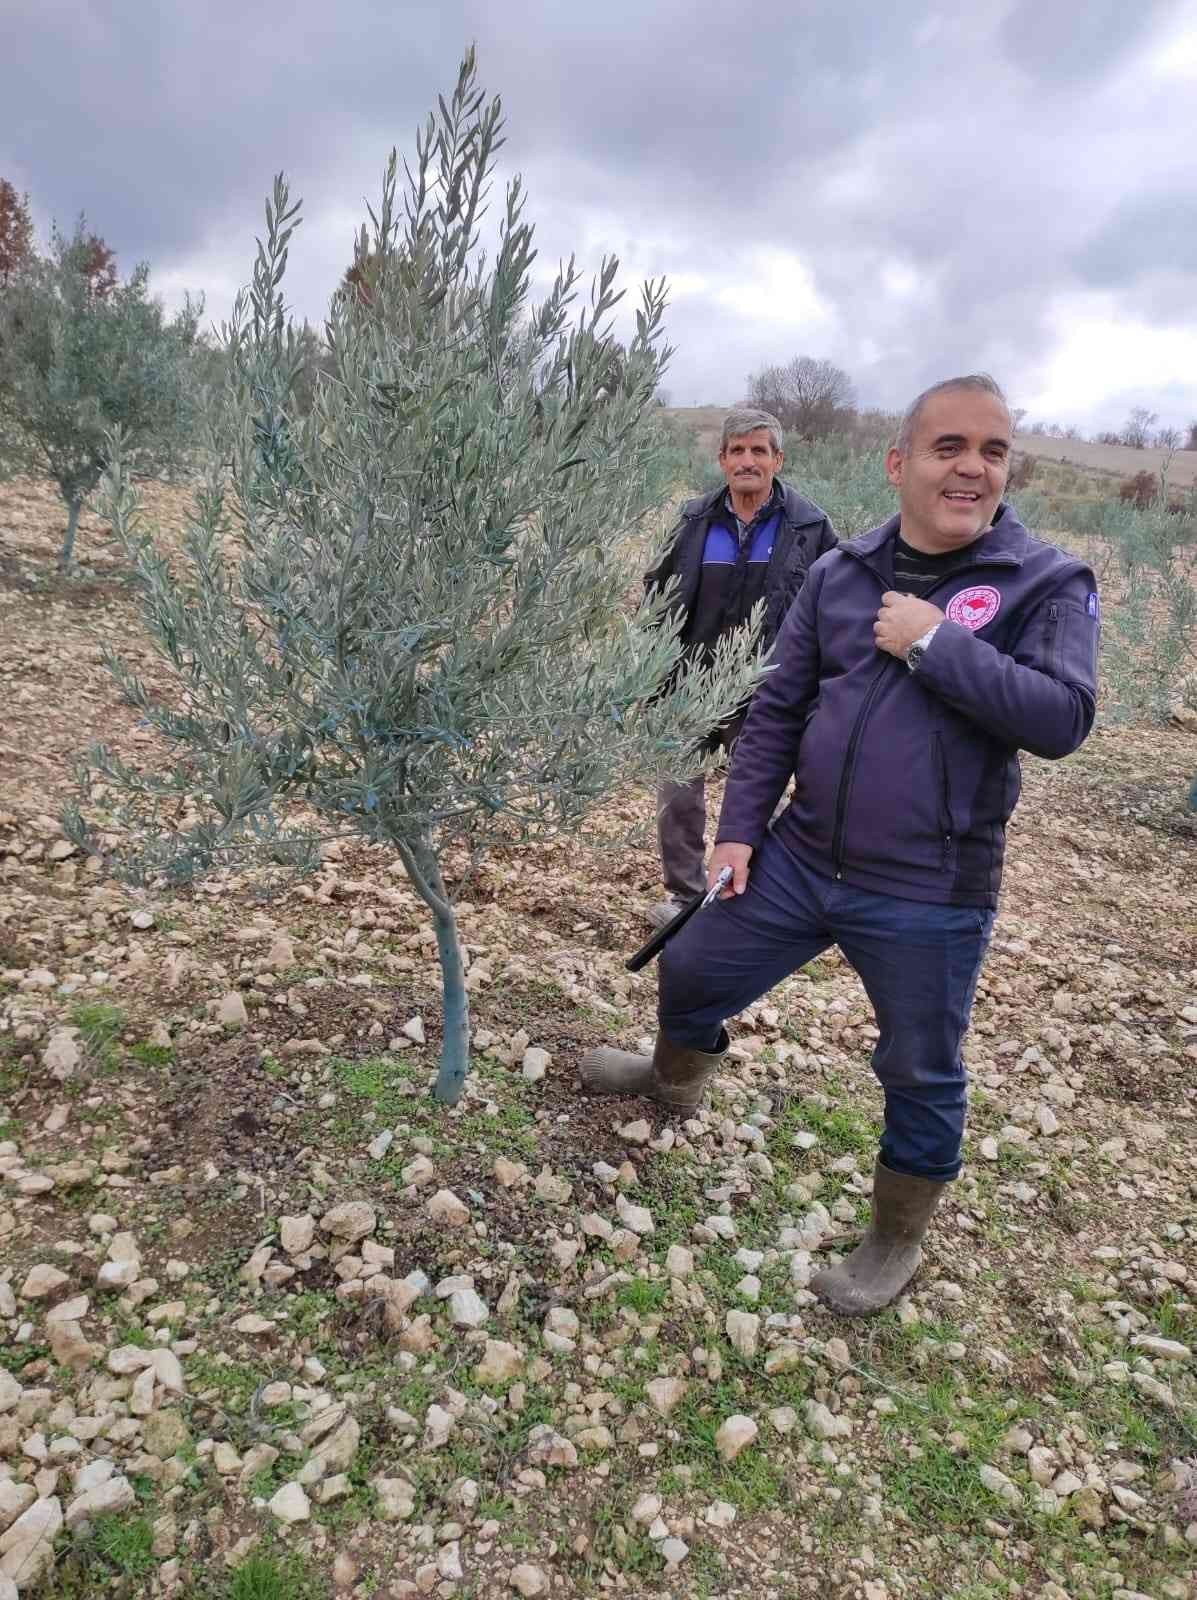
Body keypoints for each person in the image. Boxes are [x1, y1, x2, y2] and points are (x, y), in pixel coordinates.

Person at [583, 374, 1100, 1317]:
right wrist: (739, 829)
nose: (972, 467)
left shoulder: (1045, 581)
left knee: (918, 1064)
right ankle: (670, 1083)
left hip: (930, 886)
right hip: (800, 854)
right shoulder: (844, 571)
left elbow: (1063, 717)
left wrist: (937, 643)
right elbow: (779, 707)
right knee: (691, 966)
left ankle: (894, 1238)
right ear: (899, 463)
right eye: (949, 447)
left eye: (992, 451)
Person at [643, 408, 838, 929]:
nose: (747, 460)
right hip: (687, 687)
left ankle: (754, 902)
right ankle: (684, 900)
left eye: (758, 451)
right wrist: (647, 674)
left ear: (778, 459)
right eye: (737, 451)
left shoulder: (810, 527)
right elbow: (656, 599)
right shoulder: (692, 521)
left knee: (763, 798)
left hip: (768, 693)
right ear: (722, 459)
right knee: (678, 796)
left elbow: (834, 610)